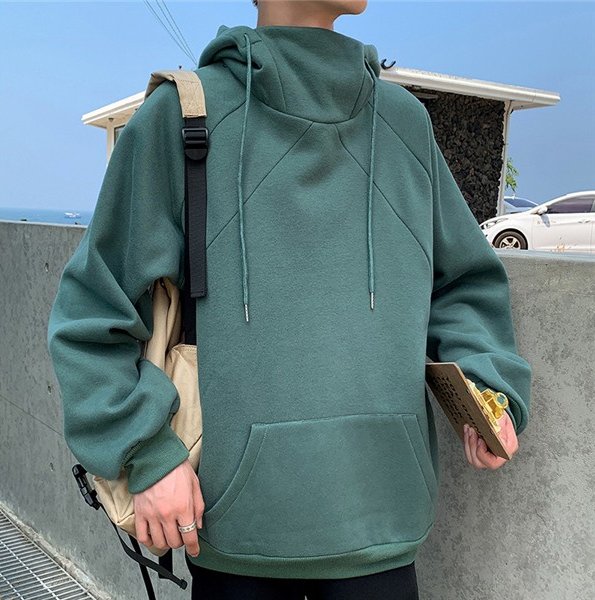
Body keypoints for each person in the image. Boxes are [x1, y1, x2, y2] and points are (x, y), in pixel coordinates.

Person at [47, 0, 532, 598]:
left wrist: (486, 387)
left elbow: (464, 282)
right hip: (235, 536)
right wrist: (145, 450)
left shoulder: (404, 123)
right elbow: (91, 315)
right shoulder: (182, 117)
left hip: (382, 523)